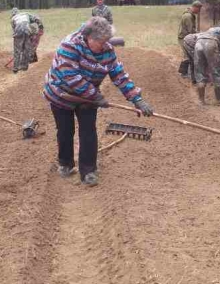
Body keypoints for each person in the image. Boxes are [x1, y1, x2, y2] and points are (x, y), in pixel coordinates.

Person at [44, 17, 153, 186]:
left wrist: (136, 99)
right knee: (65, 130)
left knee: (88, 131)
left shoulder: (107, 50)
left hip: (88, 97)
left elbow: (118, 74)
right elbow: (70, 76)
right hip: (61, 93)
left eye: (106, 41)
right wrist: (95, 95)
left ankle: (88, 171)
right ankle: (65, 163)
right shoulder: (69, 45)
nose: (104, 45)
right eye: (100, 42)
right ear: (89, 37)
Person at [190, 21, 220, 105]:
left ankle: (201, 101)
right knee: (217, 72)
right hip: (211, 44)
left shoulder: (213, 29)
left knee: (200, 72)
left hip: (198, 43)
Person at [178, 0, 202, 77]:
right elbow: (190, 30)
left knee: (189, 54)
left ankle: (187, 72)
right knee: (187, 55)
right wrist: (199, 34)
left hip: (186, 36)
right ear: (195, 7)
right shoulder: (188, 16)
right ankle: (184, 73)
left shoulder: (190, 14)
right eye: (199, 9)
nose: (199, 11)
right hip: (184, 37)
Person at [10, 8, 36, 73]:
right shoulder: (25, 14)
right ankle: (24, 67)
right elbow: (34, 19)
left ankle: (15, 68)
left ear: (13, 14)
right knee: (26, 49)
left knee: (17, 51)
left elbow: (14, 29)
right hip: (28, 31)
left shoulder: (13, 19)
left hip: (18, 32)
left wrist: (19, 45)